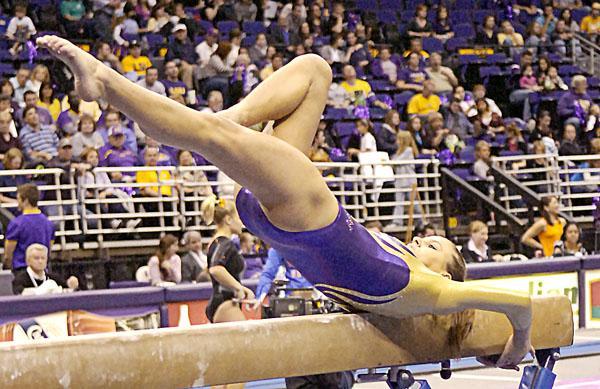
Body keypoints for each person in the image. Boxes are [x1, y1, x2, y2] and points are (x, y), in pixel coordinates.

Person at [40, 36, 534, 367]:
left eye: (436, 246)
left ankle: (105, 81)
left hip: (302, 212)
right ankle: (222, 121)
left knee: (208, 133)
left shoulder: (428, 289)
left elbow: (522, 305)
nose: (426, 238)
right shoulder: (401, 269)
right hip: (283, 211)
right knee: (315, 70)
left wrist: (520, 340)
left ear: (445, 273)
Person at [201, 195, 253, 323]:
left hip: (224, 301)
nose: (241, 222)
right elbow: (216, 269)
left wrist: (242, 288)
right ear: (228, 219)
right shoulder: (224, 243)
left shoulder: (217, 242)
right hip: (225, 302)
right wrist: (238, 288)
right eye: (238, 217)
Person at [3, 184, 55, 273]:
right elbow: (48, 249)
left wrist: (6, 265)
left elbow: (8, 254)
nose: (17, 202)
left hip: (21, 270)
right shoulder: (49, 224)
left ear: (25, 200)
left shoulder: (17, 224)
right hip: (42, 271)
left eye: (18, 199)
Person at [12, 243, 79, 294]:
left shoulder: (54, 278)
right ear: (28, 260)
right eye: (36, 258)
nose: (40, 261)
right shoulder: (19, 280)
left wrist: (71, 284)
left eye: (43, 258)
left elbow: (68, 288)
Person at [388, 131, 420, 229]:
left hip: (409, 181)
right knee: (399, 202)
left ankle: (421, 221)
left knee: (414, 204)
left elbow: (396, 162)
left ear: (403, 141)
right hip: (400, 182)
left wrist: (388, 161)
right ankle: (397, 222)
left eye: (398, 139)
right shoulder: (399, 152)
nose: (396, 141)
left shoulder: (408, 150)